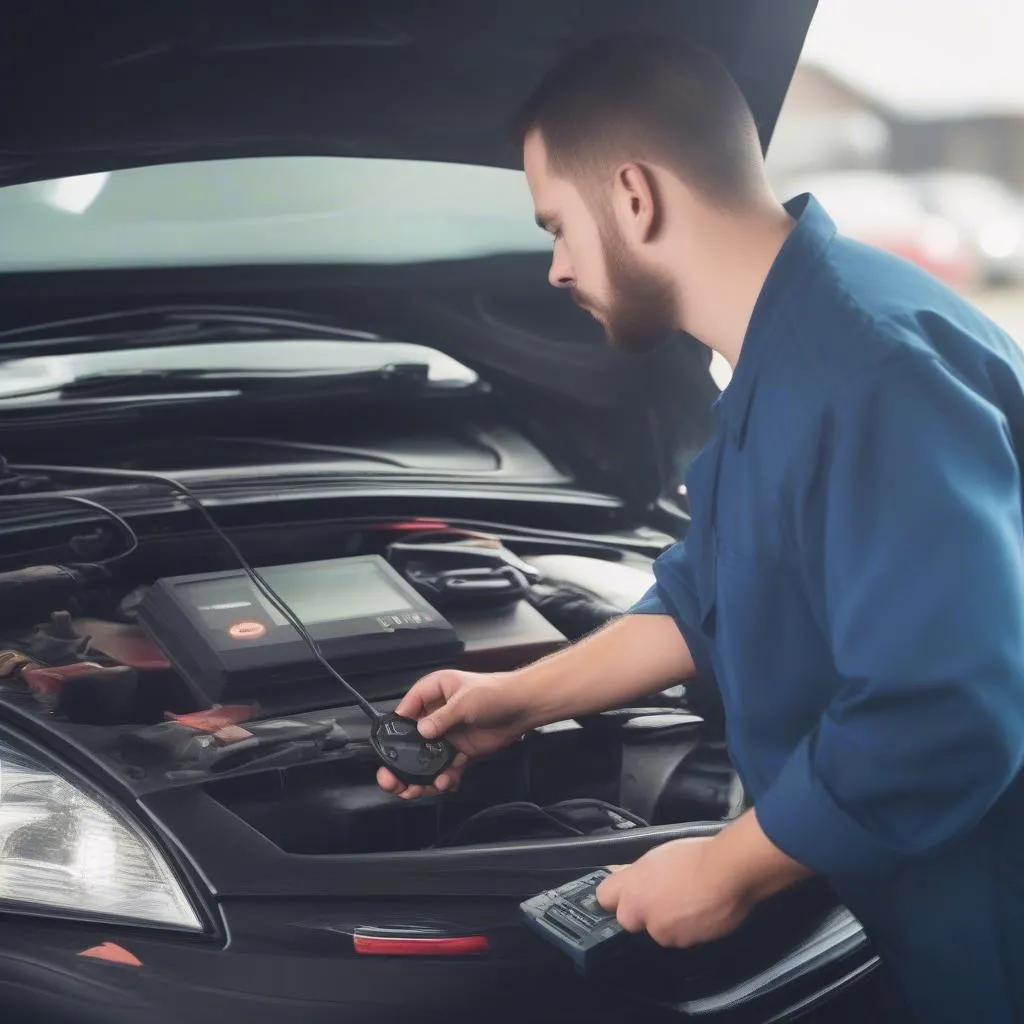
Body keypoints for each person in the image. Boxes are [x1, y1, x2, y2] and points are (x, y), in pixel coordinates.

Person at [376, 32, 1024, 1023]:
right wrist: (518, 698)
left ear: (633, 197)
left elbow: (947, 708)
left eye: (557, 225)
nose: (552, 267)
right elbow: (710, 591)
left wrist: (730, 867)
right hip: (912, 896)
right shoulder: (790, 355)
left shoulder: (870, 370)